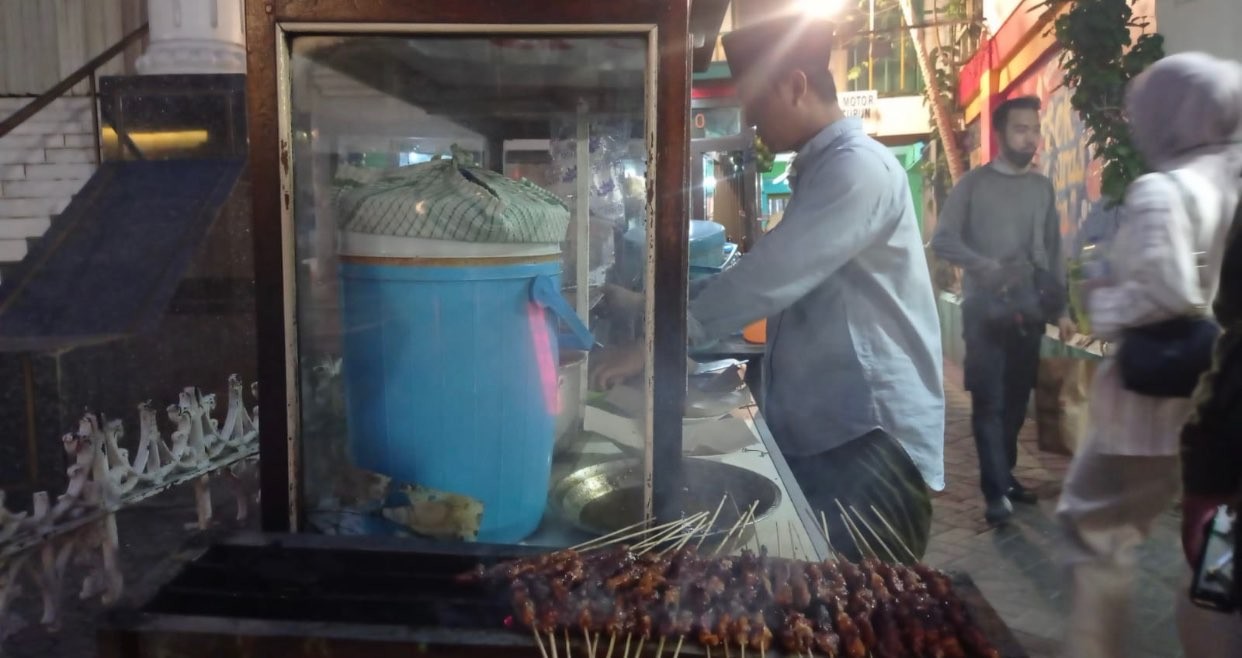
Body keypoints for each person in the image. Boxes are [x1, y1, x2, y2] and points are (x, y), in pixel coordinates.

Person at [592, 15, 945, 562]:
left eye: (757, 105)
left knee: (869, 609)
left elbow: (769, 276)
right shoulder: (823, 172)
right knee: (825, 595)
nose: (753, 122)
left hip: (868, 437)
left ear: (797, 84)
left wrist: (654, 343)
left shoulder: (859, 171)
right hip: (831, 430)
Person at [1054, 52, 1242, 658]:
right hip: (1206, 400)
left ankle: (1092, 647)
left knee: (1096, 529)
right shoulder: (1228, 175)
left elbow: (1167, 292)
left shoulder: (1162, 189)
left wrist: (1103, 304)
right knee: (1209, 550)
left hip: (1149, 407)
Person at [931, 96, 1076, 525]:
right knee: (989, 403)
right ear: (999, 134)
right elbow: (943, 240)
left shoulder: (1040, 188)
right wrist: (985, 266)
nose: (1029, 137)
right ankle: (995, 493)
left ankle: (1006, 475)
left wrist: (1063, 308)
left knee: (1015, 404)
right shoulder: (973, 185)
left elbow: (1052, 250)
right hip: (984, 313)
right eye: (1020, 129)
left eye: (1034, 129)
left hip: (1028, 312)